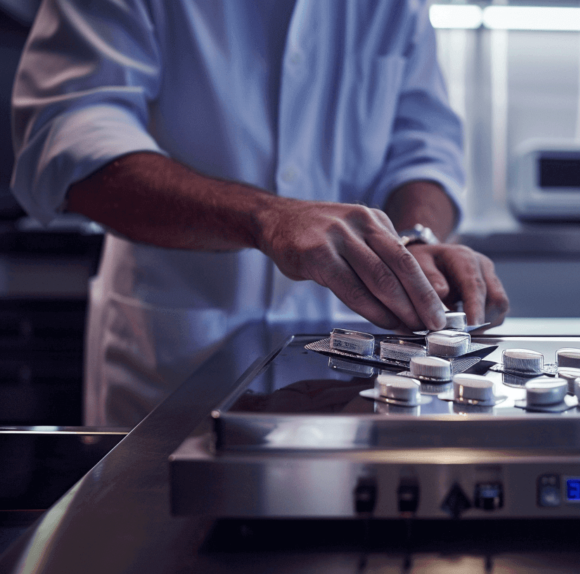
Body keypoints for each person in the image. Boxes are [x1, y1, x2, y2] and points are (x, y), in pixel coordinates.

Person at [10, 0, 509, 426]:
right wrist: (265, 217)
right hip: (170, 369)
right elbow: (68, 137)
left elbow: (422, 146)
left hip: (358, 368)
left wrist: (414, 241)